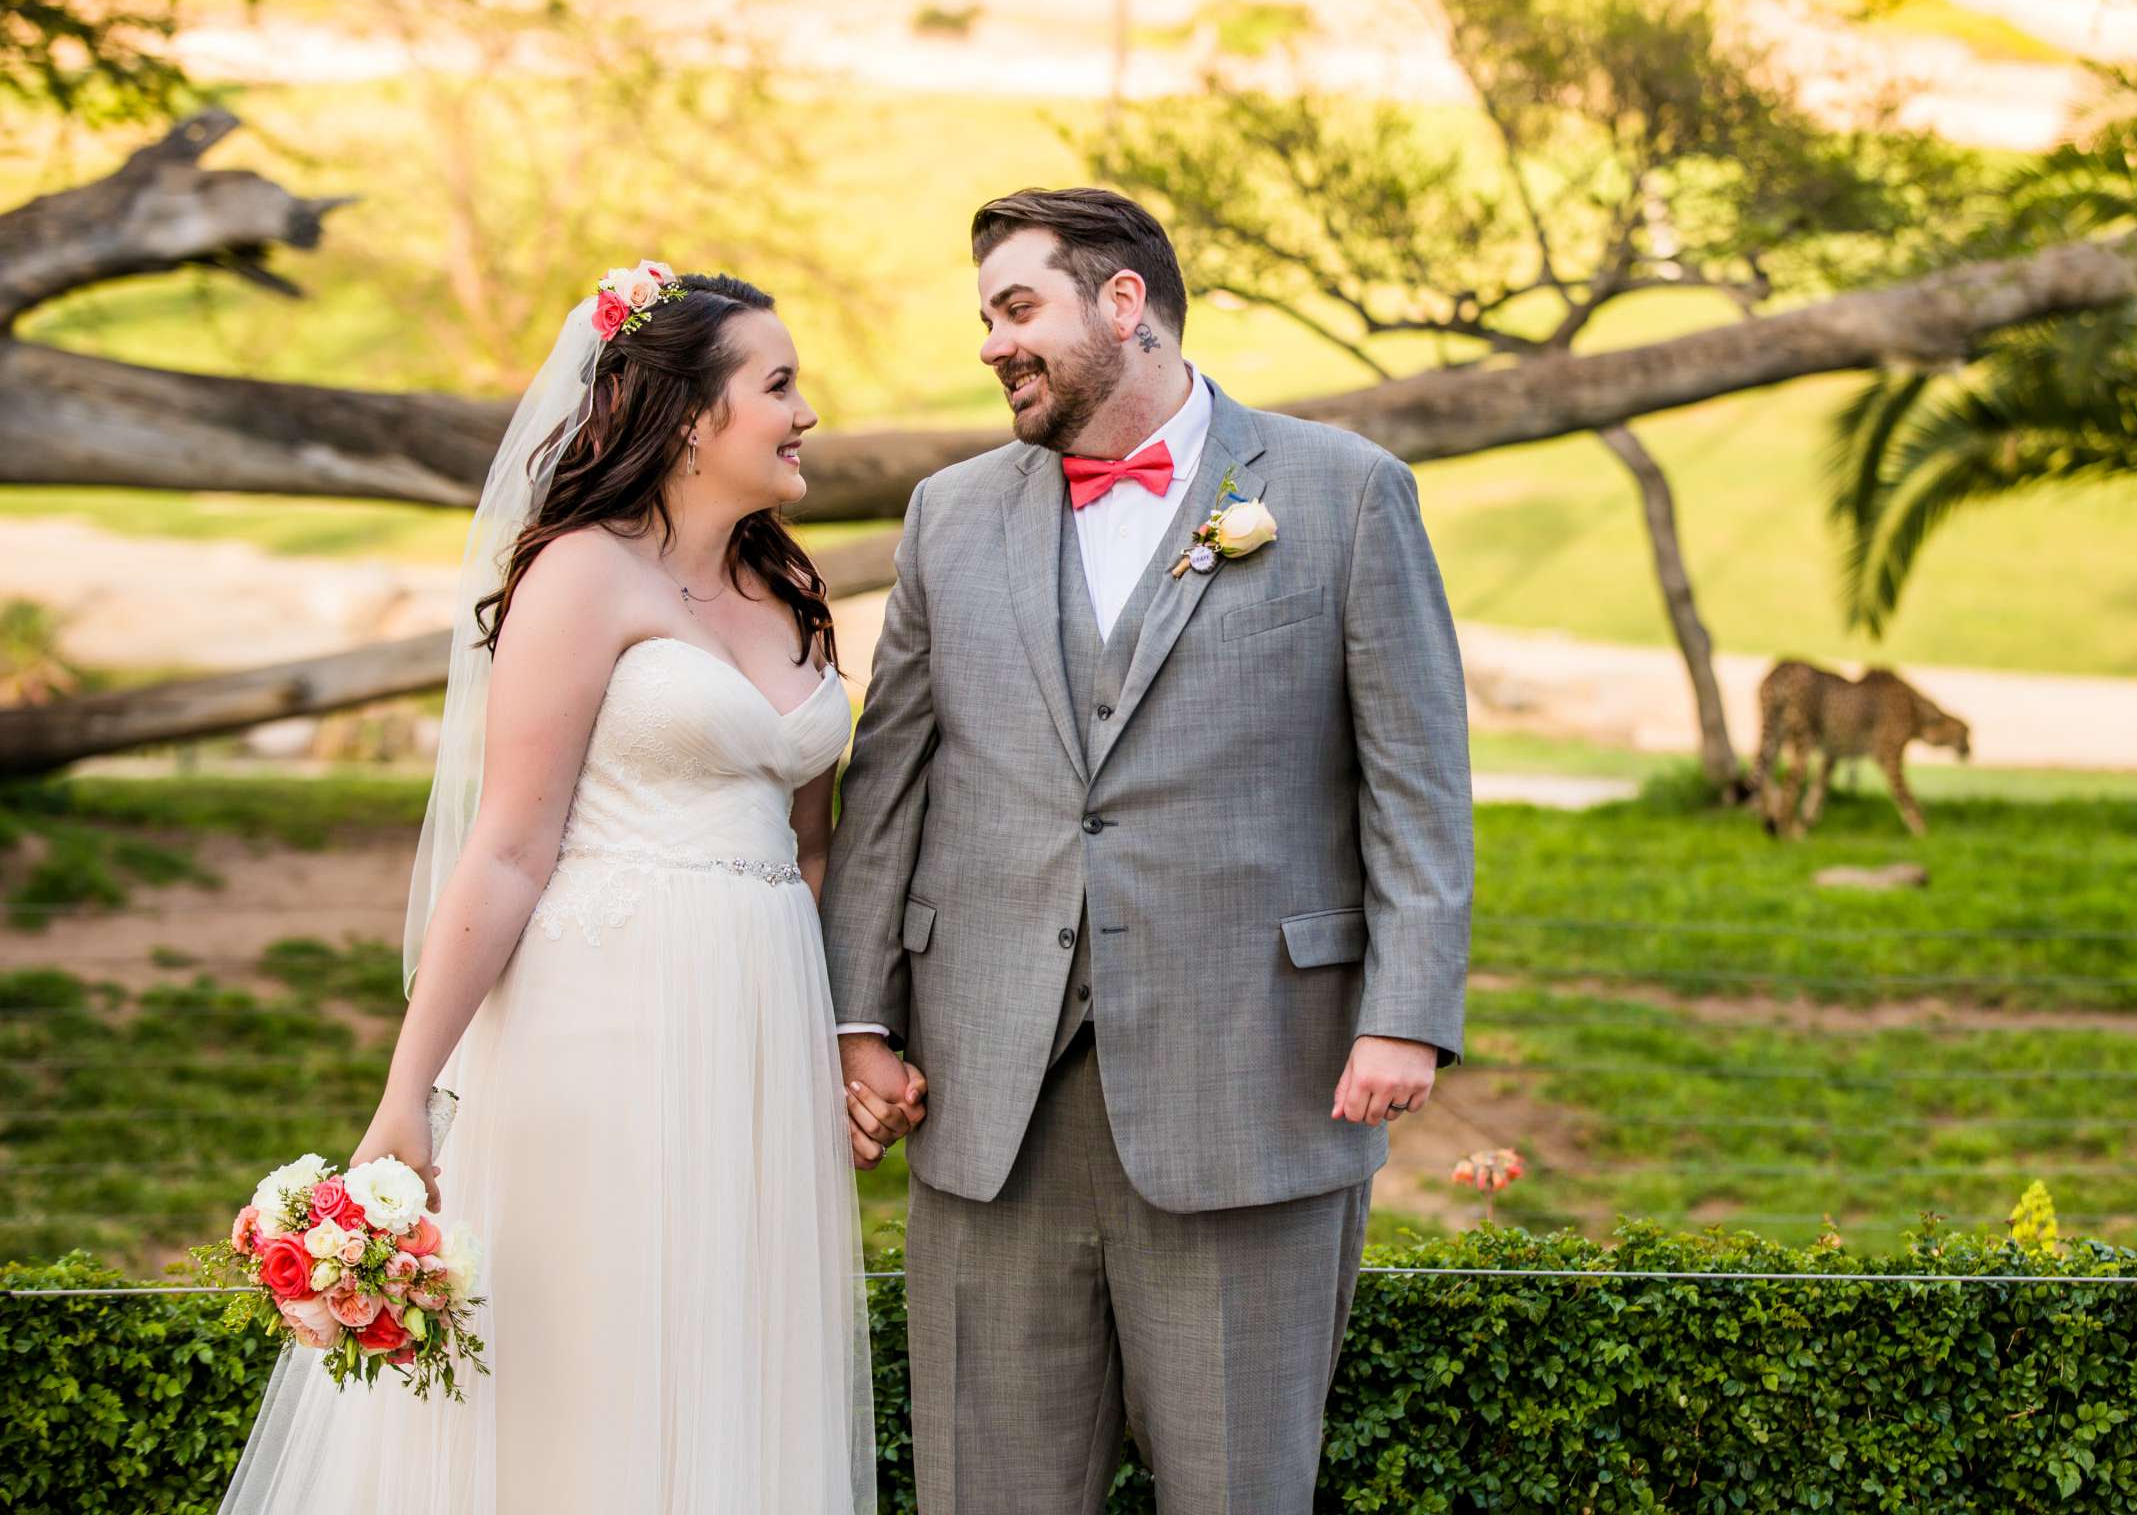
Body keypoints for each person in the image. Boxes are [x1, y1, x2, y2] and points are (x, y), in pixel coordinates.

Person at [821, 188, 1473, 1514]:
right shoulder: (948, 516)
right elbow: (887, 781)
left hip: (1258, 1083)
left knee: (1238, 1487)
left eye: (1018, 309)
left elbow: (1418, 781)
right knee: (986, 1488)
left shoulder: (1344, 496)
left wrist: (1406, 1012)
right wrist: (855, 1019)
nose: (993, 344)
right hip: (989, 1091)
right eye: (986, 318)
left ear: (1124, 303)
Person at [219, 268, 878, 1514]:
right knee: (591, 1363)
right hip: (604, 1025)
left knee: (734, 1347)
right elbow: (509, 849)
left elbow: (811, 851)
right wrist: (408, 1094)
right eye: (780, 386)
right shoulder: (580, 576)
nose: (807, 415)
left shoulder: (791, 594)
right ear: (689, 416)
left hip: (758, 1028)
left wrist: (844, 1038)